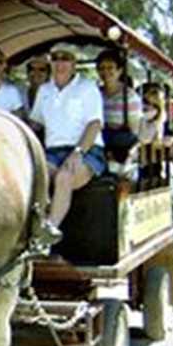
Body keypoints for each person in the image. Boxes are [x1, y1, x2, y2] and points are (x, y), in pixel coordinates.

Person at [29, 42, 106, 231]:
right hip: (52, 153)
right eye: (55, 58)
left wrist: (78, 152)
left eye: (66, 58)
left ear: (74, 63)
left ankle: (48, 232)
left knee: (64, 177)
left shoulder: (88, 88)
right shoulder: (44, 90)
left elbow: (94, 124)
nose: (60, 63)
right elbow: (35, 123)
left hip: (87, 152)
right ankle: (26, 228)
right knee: (31, 173)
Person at [96, 49, 142, 165]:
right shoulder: (95, 93)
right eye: (102, 68)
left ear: (119, 70)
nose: (105, 72)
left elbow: (134, 129)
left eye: (110, 68)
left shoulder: (130, 97)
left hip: (119, 141)